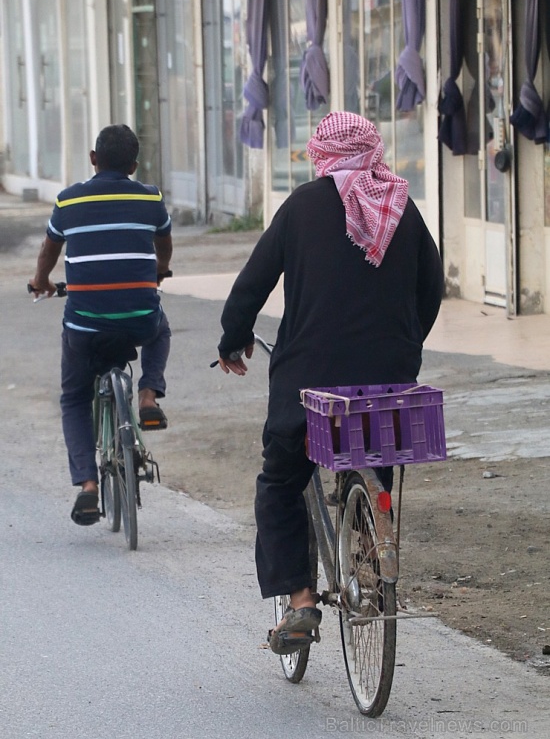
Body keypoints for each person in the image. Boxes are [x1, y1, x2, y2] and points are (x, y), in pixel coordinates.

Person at [215, 111, 444, 654]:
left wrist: (233, 339)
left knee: (279, 483)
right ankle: (370, 547)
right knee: (375, 455)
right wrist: (405, 346)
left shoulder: (300, 207)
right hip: (387, 385)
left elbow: (252, 284)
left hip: (309, 383)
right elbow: (430, 289)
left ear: (321, 154)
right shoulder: (401, 208)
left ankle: (299, 603)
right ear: (373, 151)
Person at [29, 124, 172, 527]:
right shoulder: (150, 198)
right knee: (160, 328)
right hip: (139, 320)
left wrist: (41, 282)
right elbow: (164, 246)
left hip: (85, 328)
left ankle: (88, 487)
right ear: (134, 165)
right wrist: (159, 272)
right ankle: (147, 396)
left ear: (93, 159)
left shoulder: (69, 200)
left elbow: (48, 252)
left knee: (74, 397)